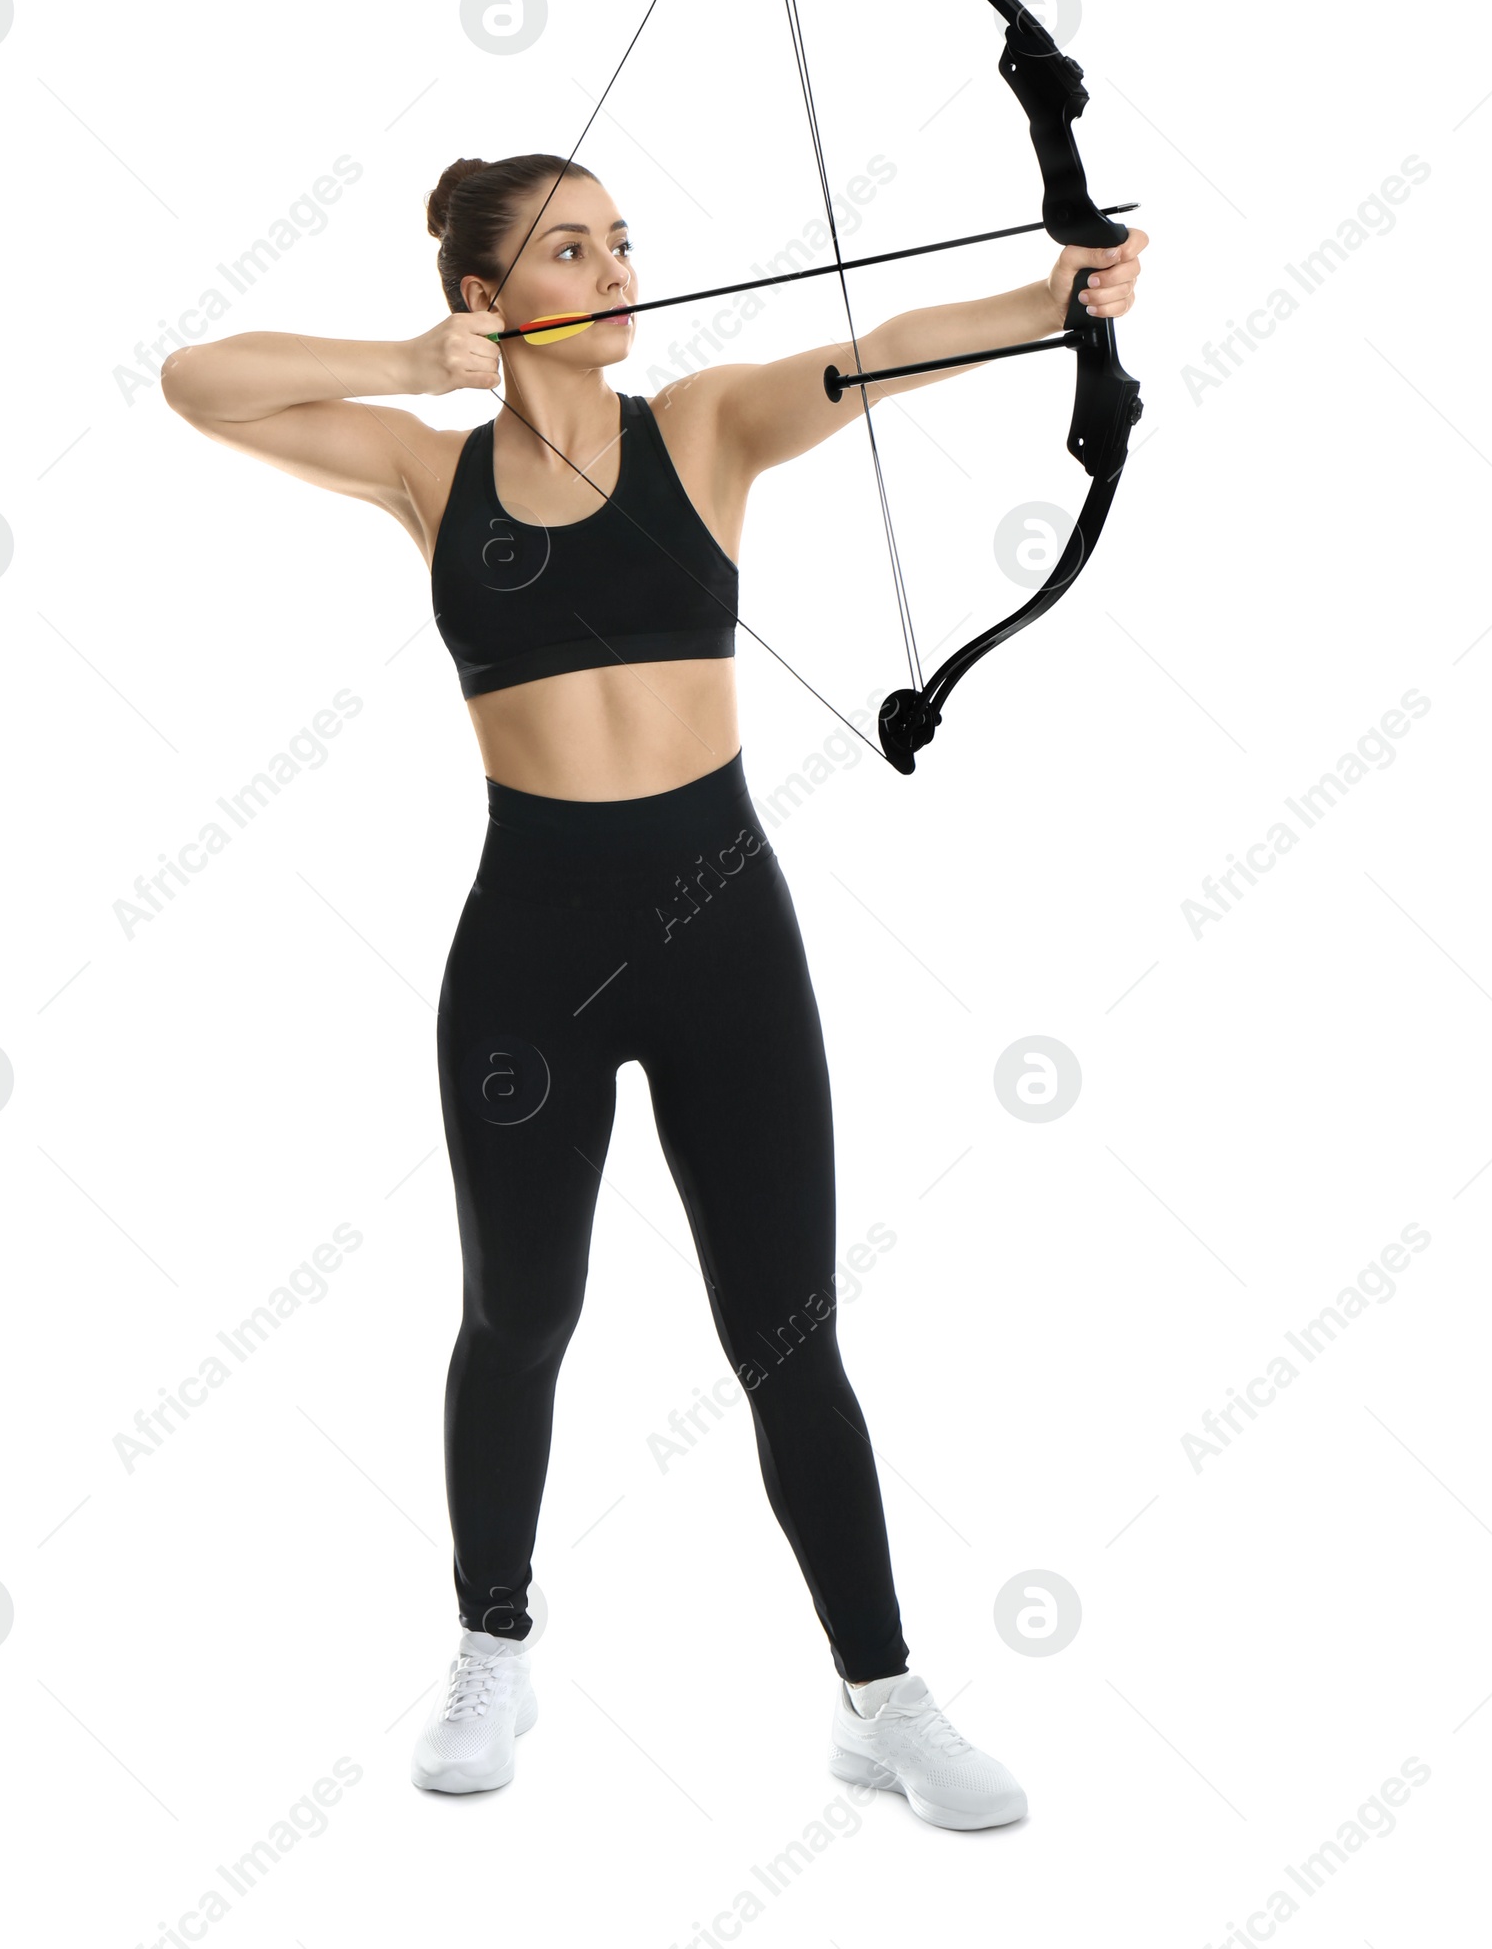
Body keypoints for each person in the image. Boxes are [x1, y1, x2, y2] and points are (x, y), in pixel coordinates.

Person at [161, 152, 1146, 1830]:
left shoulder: (706, 427)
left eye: (623, 241)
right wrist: (414, 364)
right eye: (570, 248)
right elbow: (194, 382)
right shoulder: (424, 471)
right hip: (530, 941)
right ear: (488, 294)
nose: (616, 267)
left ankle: (882, 1694)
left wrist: (1059, 299)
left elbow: (888, 346)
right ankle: (492, 1645)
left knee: (787, 1339)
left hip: (722, 930)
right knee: (519, 1317)